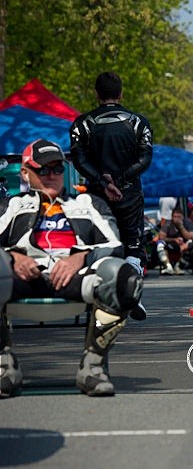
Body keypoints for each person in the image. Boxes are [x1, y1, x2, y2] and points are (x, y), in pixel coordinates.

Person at [0, 139, 143, 397]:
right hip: (22, 276)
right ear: (25, 172)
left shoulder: (87, 203)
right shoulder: (13, 205)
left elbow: (114, 245)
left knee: (125, 279)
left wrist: (81, 256)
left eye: (57, 169)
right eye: (43, 169)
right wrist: (13, 257)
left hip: (76, 277)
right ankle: (3, 365)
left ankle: (93, 366)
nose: (51, 175)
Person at [70, 72, 153, 276]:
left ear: (96, 94)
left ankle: (98, 287)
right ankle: (131, 288)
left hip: (97, 196)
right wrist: (121, 180)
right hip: (129, 195)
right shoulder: (139, 123)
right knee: (133, 247)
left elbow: (79, 161)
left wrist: (103, 182)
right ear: (121, 94)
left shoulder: (81, 124)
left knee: (98, 244)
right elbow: (144, 159)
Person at [155, 207, 193, 275]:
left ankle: (179, 266)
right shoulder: (168, 223)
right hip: (170, 244)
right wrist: (174, 239)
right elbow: (161, 237)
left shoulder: (188, 223)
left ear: (182, 217)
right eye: (175, 217)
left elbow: (191, 237)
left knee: (191, 243)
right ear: (172, 217)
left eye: (179, 217)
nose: (177, 219)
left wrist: (181, 227)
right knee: (160, 244)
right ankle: (168, 267)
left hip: (183, 245)